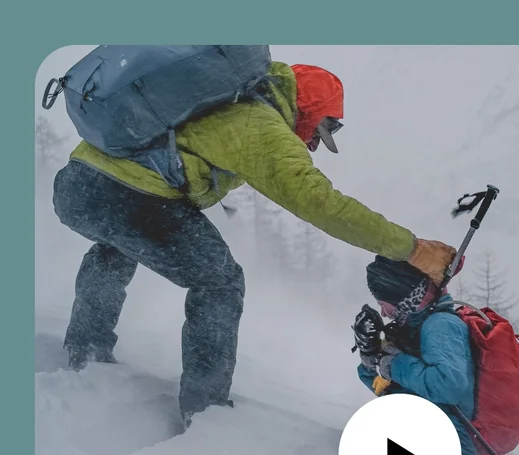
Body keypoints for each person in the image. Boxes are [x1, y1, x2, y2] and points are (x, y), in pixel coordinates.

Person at [51, 60, 457, 426]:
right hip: (128, 196)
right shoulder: (258, 123)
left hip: (76, 185)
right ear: (307, 109)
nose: (314, 144)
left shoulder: (224, 102)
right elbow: (321, 203)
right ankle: (205, 412)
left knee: (117, 243)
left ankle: (85, 351)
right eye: (318, 131)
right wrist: (413, 249)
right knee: (220, 284)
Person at [353, 255, 477, 455]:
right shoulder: (414, 331)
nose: (383, 313)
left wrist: (391, 364)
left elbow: (449, 387)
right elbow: (391, 391)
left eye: (383, 303)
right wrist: (370, 355)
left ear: (403, 298)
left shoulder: (440, 325)